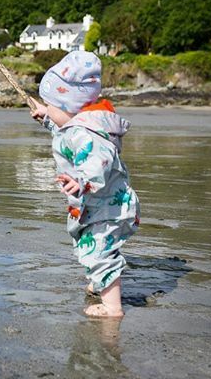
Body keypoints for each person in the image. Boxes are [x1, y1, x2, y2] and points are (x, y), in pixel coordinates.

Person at [29, 50, 140, 317]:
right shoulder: (81, 123)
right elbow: (64, 128)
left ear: (69, 106)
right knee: (93, 246)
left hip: (105, 205)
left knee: (100, 252)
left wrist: (81, 181)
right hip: (104, 204)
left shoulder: (85, 133)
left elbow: (98, 161)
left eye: (52, 105)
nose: (50, 110)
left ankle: (113, 307)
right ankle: (102, 282)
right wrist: (47, 116)